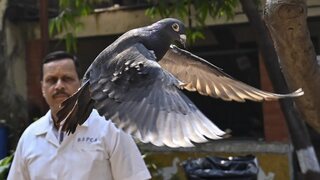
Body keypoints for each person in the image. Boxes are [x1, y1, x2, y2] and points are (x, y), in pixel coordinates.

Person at [8, 51, 151, 180]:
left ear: (81, 84)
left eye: (67, 78)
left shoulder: (110, 128)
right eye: (51, 80)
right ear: (42, 88)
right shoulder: (30, 137)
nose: (59, 86)